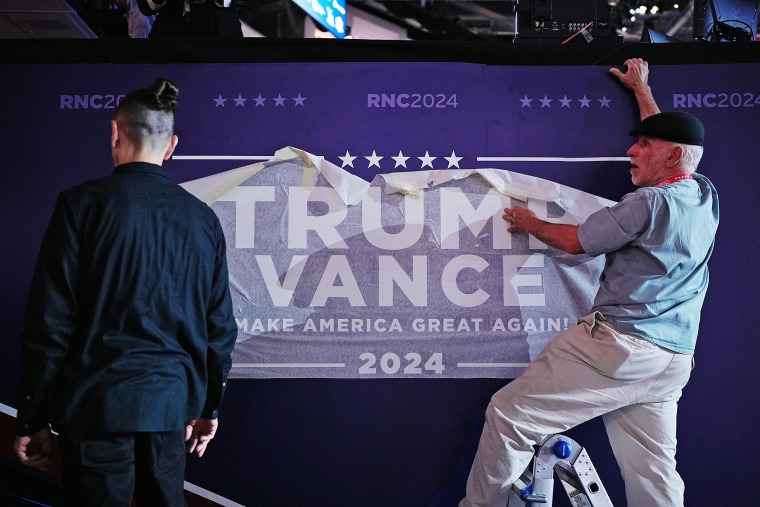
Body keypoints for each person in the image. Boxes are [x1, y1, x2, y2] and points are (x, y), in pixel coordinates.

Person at [460, 58, 719, 507]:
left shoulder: (648, 202)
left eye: (643, 145)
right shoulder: (703, 194)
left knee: (509, 415)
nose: (631, 153)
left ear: (672, 155)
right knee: (653, 471)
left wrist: (528, 220)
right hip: (672, 361)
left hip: (618, 348)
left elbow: (577, 242)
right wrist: (641, 90)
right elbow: (675, 141)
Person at [13, 78, 238, 506]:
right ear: (171, 145)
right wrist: (208, 408)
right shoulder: (202, 219)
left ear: (114, 133)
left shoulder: (79, 205)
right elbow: (221, 328)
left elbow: (50, 324)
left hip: (95, 408)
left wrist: (32, 417)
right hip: (170, 410)